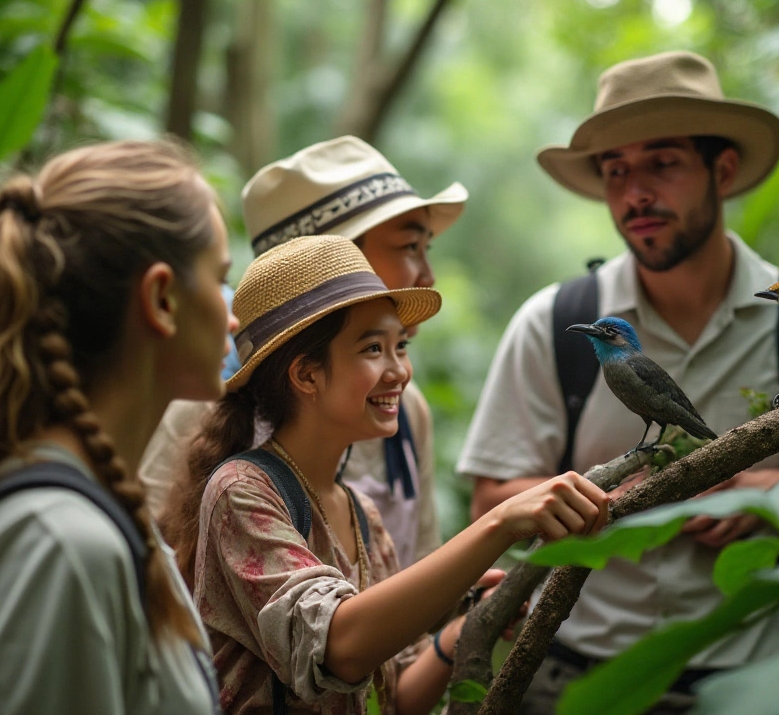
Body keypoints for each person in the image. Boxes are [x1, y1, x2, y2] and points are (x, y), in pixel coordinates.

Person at [457, 51, 779, 714]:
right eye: (616, 171)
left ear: (722, 170)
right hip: (578, 681)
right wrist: (624, 494)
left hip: (761, 684)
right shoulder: (553, 324)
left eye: (662, 164)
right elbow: (493, 493)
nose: (635, 193)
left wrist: (757, 492)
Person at [161, 235, 609, 715]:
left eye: (401, 346)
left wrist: (463, 629)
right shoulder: (241, 493)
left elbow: (391, 699)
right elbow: (338, 646)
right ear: (306, 375)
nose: (399, 371)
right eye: (373, 348)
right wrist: (500, 523)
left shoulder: (363, 515)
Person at [0, 140, 234, 714]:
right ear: (162, 298)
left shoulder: (103, 514)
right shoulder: (63, 544)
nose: (232, 313)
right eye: (220, 279)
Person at [142, 135, 466, 567]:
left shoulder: (405, 411)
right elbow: (152, 563)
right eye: (409, 247)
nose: (427, 274)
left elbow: (419, 569)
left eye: (427, 249)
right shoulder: (205, 403)